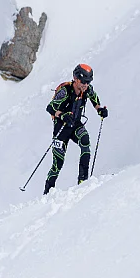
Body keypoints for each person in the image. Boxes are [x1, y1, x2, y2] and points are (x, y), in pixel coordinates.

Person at [44, 64, 108, 194]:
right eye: (83, 81)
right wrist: (62, 115)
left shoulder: (87, 90)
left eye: (88, 81)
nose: (86, 84)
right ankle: (47, 193)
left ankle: (82, 182)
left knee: (85, 142)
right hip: (61, 128)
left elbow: (94, 100)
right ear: (76, 79)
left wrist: (100, 110)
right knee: (58, 164)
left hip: (75, 125)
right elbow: (50, 108)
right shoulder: (65, 91)